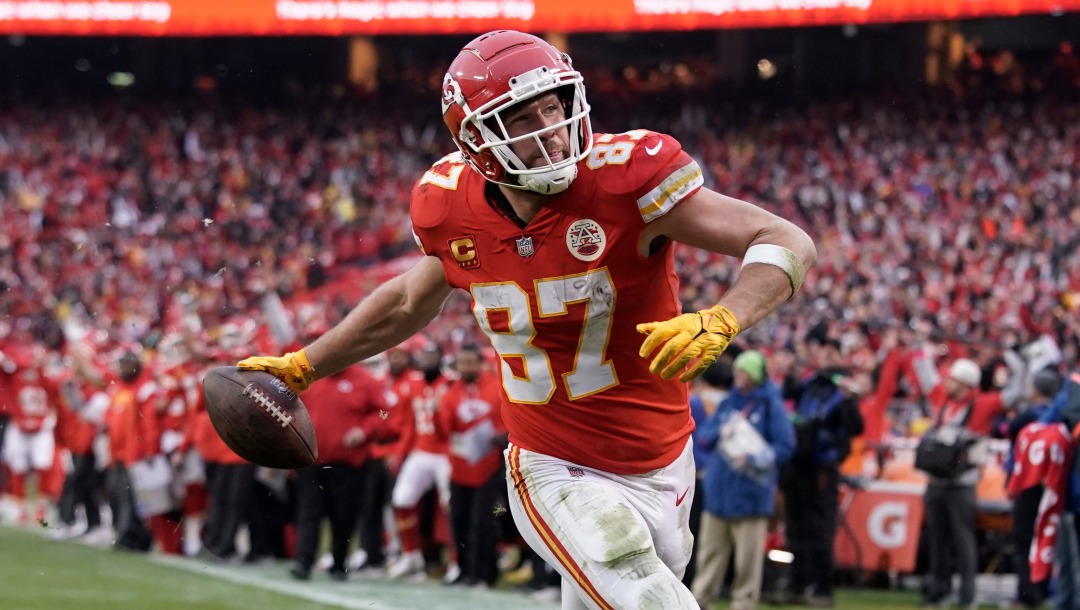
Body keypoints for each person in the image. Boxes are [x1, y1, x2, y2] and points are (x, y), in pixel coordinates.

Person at [237, 30, 815, 609]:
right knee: (648, 599)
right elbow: (410, 301)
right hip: (551, 463)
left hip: (665, 458)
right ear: (477, 140)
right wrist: (306, 364)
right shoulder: (450, 207)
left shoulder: (628, 177)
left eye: (553, 106)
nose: (551, 128)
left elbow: (783, 238)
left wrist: (723, 318)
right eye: (521, 117)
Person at [691, 350, 794, 610]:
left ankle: (744, 603)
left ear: (755, 375)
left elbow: (784, 445)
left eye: (744, 372)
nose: (738, 377)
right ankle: (701, 601)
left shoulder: (770, 405)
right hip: (720, 491)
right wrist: (719, 432)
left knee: (748, 560)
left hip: (751, 493)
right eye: (737, 371)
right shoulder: (730, 402)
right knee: (710, 553)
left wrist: (755, 458)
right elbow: (704, 434)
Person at [780, 332, 864, 607]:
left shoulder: (843, 387)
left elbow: (856, 428)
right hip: (798, 463)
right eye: (823, 353)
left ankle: (822, 588)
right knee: (795, 527)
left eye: (831, 354)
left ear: (840, 356)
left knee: (819, 528)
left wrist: (849, 399)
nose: (825, 358)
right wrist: (792, 371)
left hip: (822, 466)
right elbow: (788, 393)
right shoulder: (811, 382)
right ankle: (798, 584)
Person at [918, 358, 1004, 610]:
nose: (946, 382)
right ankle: (938, 591)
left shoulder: (983, 404)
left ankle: (968, 595)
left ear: (965, 383)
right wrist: (917, 348)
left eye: (952, 378)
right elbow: (925, 377)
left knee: (964, 540)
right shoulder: (944, 401)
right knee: (938, 541)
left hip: (962, 483)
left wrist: (1013, 355)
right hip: (936, 480)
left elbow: (1014, 394)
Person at [437, 344, 508, 588]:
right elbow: (444, 429)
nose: (466, 367)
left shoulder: (495, 387)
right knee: (459, 519)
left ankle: (485, 573)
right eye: (462, 362)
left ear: (480, 363)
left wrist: (500, 435)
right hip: (459, 466)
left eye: (470, 361)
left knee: (483, 521)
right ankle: (465, 571)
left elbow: (506, 421)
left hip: (489, 465)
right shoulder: (450, 392)